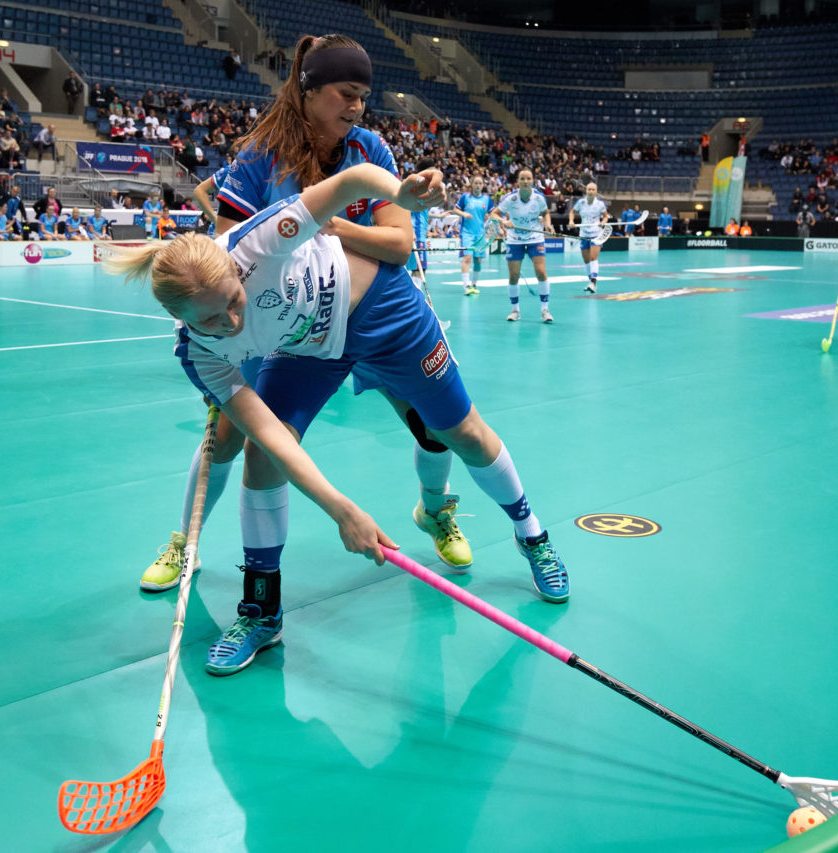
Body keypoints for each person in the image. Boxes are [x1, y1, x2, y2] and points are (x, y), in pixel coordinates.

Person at [109, 161, 571, 678]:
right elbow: (266, 434)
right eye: (213, 320)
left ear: (236, 272)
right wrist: (340, 508)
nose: (233, 322)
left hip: (384, 310)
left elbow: (351, 182)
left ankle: (532, 536)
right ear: (185, 321)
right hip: (310, 348)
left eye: (235, 302)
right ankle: (262, 609)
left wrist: (402, 194)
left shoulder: (259, 242)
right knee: (263, 453)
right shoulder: (201, 354)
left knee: (461, 432)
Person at [136, 35, 480, 671]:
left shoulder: (366, 148)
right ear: (311, 89)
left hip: (375, 308)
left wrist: (345, 216)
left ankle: (436, 512)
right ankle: (188, 544)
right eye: (347, 95)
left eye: (362, 97)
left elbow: (396, 244)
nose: (357, 107)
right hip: (279, 319)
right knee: (232, 439)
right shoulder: (262, 155)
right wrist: (235, 314)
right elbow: (226, 243)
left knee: (438, 429)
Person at [491, 169, 554, 322]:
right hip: (515, 239)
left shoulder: (539, 198)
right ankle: (515, 310)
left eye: (528, 178)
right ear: (518, 182)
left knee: (540, 272)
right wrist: (505, 222)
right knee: (513, 275)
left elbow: (546, 213)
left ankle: (545, 310)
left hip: (535, 237)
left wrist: (548, 225)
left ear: (533, 181)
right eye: (522, 179)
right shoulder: (510, 198)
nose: (525, 181)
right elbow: (494, 214)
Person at [452, 174, 493, 295]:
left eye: (480, 183)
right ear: (472, 184)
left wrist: (497, 226)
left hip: (480, 235)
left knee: (478, 260)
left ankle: (474, 284)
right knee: (467, 258)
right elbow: (455, 209)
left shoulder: (487, 199)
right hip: (467, 233)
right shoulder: (465, 197)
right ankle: (467, 286)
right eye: (476, 183)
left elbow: (493, 214)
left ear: (483, 185)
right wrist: (464, 214)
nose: (478, 185)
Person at [567, 182, 608, 293]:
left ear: (596, 191)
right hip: (584, 234)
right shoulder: (581, 202)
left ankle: (594, 282)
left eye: (593, 190)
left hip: (596, 233)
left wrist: (603, 222)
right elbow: (572, 212)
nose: (591, 191)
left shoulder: (600, 204)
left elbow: (605, 217)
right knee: (586, 260)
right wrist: (571, 221)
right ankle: (591, 281)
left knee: (593, 257)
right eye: (589, 189)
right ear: (586, 191)